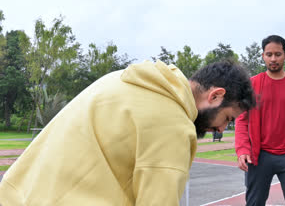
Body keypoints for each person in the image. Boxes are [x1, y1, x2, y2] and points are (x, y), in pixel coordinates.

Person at [0, 60, 256, 205]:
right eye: (227, 118)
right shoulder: (174, 125)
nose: (221, 129)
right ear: (215, 95)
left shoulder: (122, 80)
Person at [235, 35, 285, 205]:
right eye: (269, 54)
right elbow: (242, 120)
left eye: (278, 54)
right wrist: (242, 149)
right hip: (259, 156)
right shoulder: (252, 85)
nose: (273, 59)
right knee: (254, 202)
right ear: (263, 55)